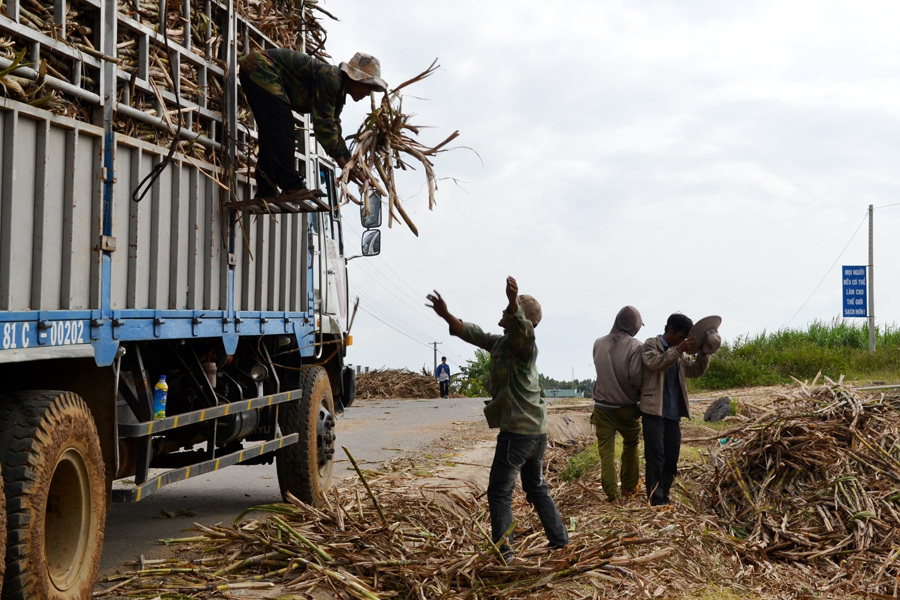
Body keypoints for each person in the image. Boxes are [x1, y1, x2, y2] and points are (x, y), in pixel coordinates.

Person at [426, 277, 568, 561]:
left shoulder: (524, 346)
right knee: (536, 487)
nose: (504, 312)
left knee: (499, 493)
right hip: (536, 433)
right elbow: (470, 332)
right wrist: (445, 314)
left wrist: (514, 301)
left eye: (510, 310)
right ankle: (560, 539)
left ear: (520, 319)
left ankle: (505, 553)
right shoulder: (501, 344)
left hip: (517, 433)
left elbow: (522, 331)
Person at [238, 50, 387, 199]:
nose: (368, 93)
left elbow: (334, 131)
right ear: (356, 78)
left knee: (272, 133)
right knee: (283, 127)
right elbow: (324, 128)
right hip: (260, 67)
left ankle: (266, 189)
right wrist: (343, 166)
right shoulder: (331, 79)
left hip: (260, 71)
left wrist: (351, 165)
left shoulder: (338, 96)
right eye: (368, 86)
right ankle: (291, 186)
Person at [639, 313, 710, 506]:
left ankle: (665, 496)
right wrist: (678, 349)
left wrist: (704, 353)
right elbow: (655, 364)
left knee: (671, 457)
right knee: (656, 457)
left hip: (672, 413)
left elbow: (694, 370)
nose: (683, 342)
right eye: (680, 336)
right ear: (670, 330)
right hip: (653, 411)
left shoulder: (679, 353)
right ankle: (655, 498)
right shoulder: (650, 346)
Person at [590, 306, 644, 502]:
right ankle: (628, 489)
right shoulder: (635, 346)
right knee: (631, 445)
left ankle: (611, 494)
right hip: (626, 409)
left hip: (602, 407)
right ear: (634, 325)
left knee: (606, 453)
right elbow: (637, 377)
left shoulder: (598, 343)